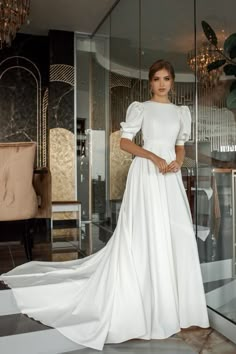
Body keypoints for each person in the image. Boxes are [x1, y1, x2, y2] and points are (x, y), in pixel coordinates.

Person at [0, 59, 210, 351]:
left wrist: (175, 159)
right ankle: (146, 301)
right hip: (147, 175)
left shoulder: (180, 112)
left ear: (172, 82)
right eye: (156, 79)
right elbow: (125, 143)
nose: (161, 83)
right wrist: (153, 157)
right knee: (145, 234)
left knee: (175, 235)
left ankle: (176, 305)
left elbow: (180, 143)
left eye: (166, 79)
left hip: (170, 177)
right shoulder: (141, 108)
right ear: (150, 83)